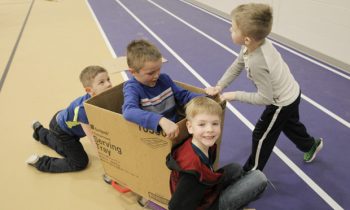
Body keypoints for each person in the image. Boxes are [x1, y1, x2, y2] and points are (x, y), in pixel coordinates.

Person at [205, 3, 323, 172]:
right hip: (292, 92)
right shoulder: (253, 44)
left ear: (246, 38)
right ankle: (310, 145)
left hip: (280, 102)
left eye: (233, 28)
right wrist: (220, 86)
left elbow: (265, 98)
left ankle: (251, 173)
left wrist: (233, 95)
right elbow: (237, 65)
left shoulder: (257, 62)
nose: (230, 29)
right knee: (289, 125)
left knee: (261, 136)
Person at [166, 96, 267, 210]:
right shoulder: (191, 170)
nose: (210, 129)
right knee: (259, 178)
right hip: (206, 206)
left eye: (215, 123)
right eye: (202, 124)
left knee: (235, 168)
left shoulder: (203, 144)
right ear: (190, 127)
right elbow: (175, 207)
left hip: (205, 191)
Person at [25, 65, 112, 172]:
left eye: (108, 79)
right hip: (62, 131)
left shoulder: (105, 96)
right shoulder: (83, 110)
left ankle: (39, 131)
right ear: (89, 90)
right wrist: (109, 164)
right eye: (102, 82)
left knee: (61, 144)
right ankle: (40, 162)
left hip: (66, 121)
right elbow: (93, 139)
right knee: (80, 162)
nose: (109, 84)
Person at [122, 39, 202, 139]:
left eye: (158, 69)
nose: (156, 76)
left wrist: (204, 99)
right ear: (133, 72)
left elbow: (184, 95)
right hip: (155, 135)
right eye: (150, 73)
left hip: (176, 129)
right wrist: (160, 120)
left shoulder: (164, 79)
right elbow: (129, 111)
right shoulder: (132, 88)